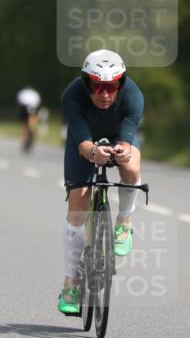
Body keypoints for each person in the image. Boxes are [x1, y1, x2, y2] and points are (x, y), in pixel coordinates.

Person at [58, 49, 144, 315]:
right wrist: (92, 152)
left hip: (118, 135)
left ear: (121, 82)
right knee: (78, 208)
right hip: (83, 141)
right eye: (97, 86)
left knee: (131, 165)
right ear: (86, 83)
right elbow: (82, 141)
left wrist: (122, 149)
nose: (105, 94)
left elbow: (128, 134)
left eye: (111, 86)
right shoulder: (72, 96)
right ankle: (70, 284)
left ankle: (124, 222)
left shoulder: (133, 96)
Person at [16, 85, 41, 154]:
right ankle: (32, 132)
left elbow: (19, 102)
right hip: (33, 108)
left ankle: (24, 142)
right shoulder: (35, 93)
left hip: (24, 108)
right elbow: (38, 102)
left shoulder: (22, 93)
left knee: (23, 125)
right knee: (33, 124)